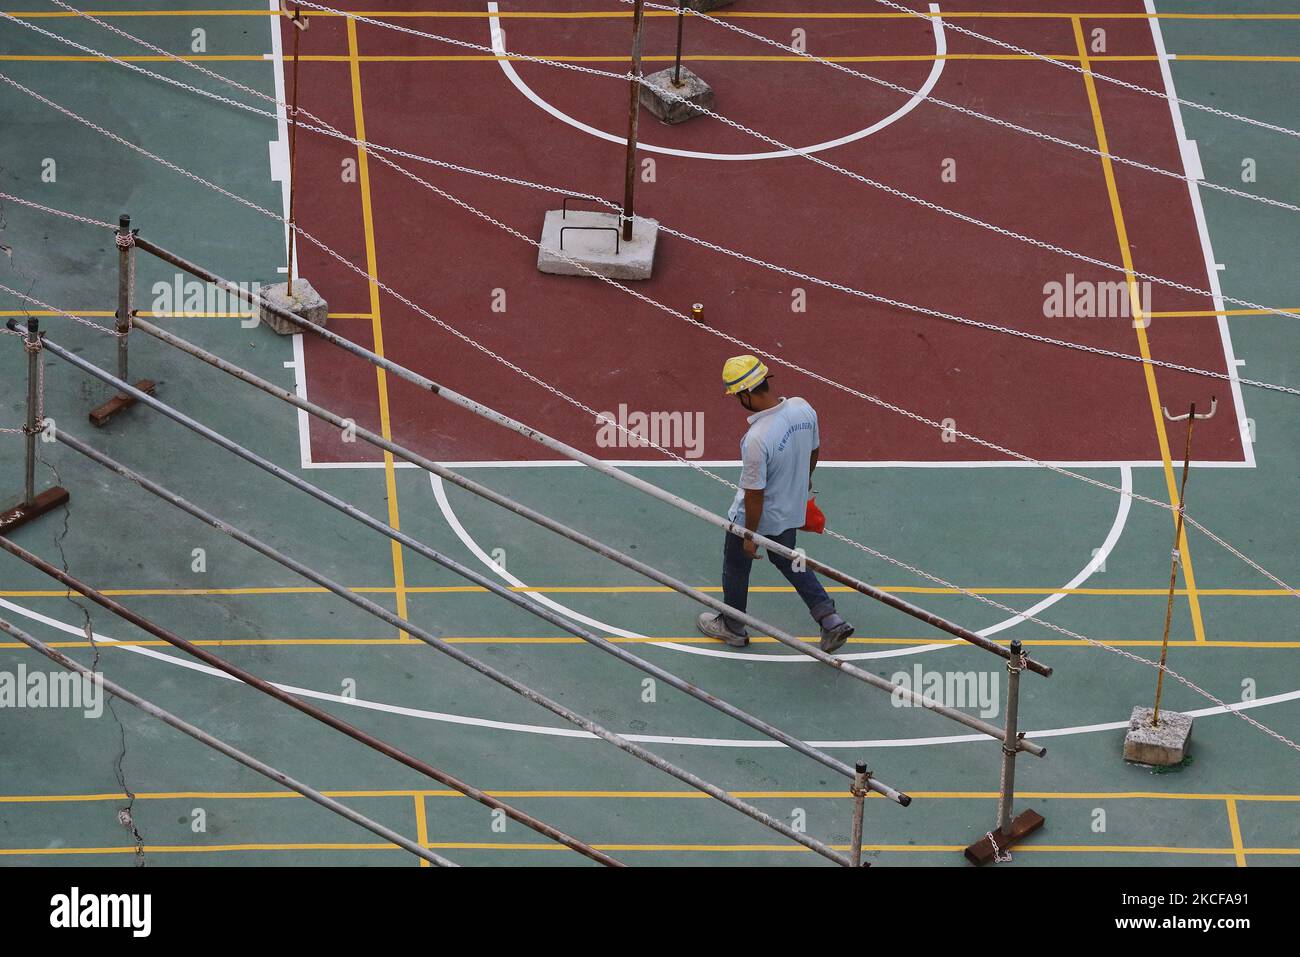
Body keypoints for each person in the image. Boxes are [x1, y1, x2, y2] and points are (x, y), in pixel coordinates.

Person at [697, 355, 855, 653]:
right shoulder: (802, 408)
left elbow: (754, 493)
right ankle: (829, 618)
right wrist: (802, 483)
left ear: (744, 394)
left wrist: (749, 535)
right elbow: (814, 449)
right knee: (787, 559)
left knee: (736, 567)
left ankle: (732, 626)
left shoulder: (756, 438)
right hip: (790, 509)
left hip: (754, 518)